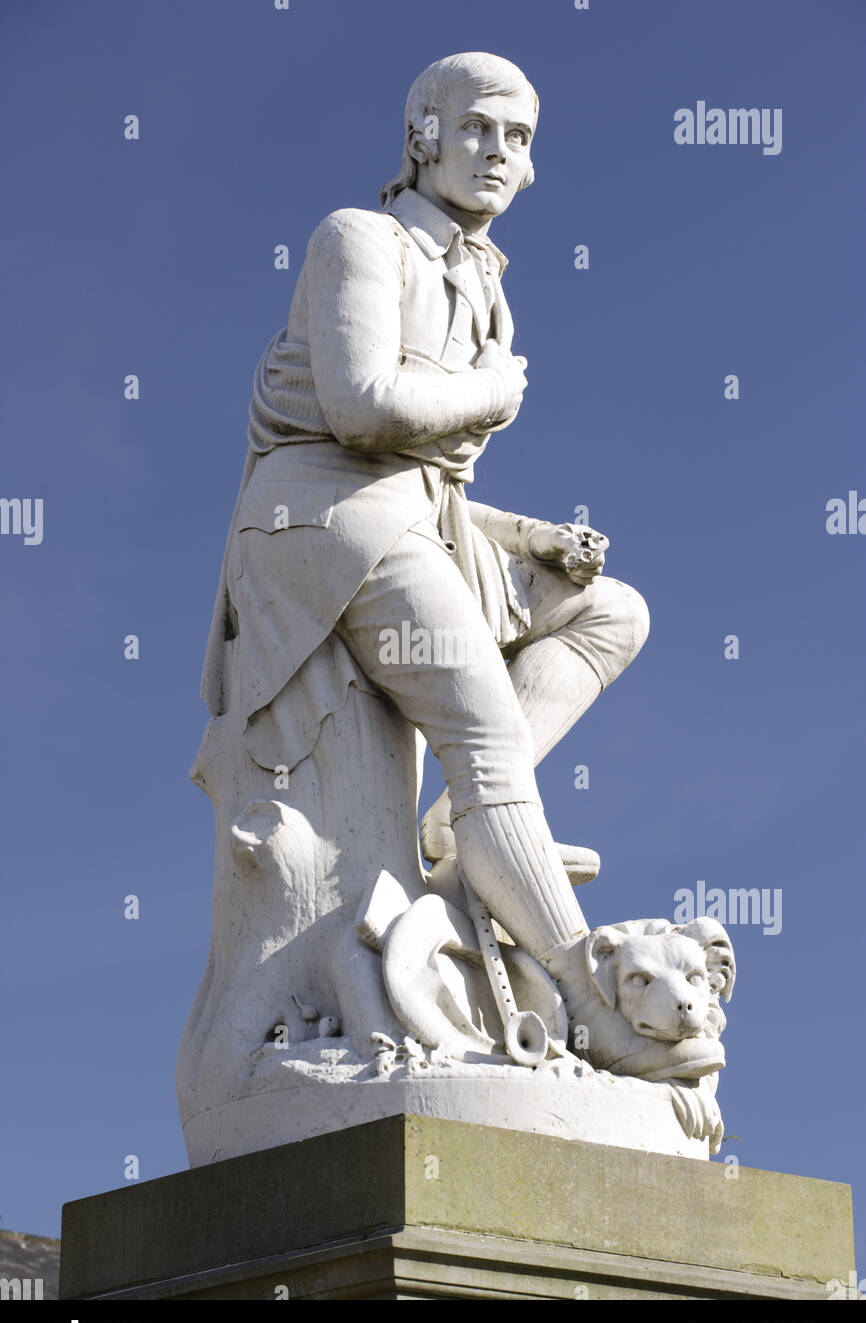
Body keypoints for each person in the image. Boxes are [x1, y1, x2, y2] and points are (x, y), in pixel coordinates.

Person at [201, 52, 649, 1002]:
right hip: (326, 520)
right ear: (422, 137)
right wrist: (494, 389)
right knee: (482, 726)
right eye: (478, 126)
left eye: (518, 137)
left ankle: (463, 824)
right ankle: (587, 987)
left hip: (413, 514)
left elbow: (424, 474)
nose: (496, 151)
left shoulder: (487, 285)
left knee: (614, 609)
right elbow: (364, 414)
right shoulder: (359, 239)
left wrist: (529, 537)